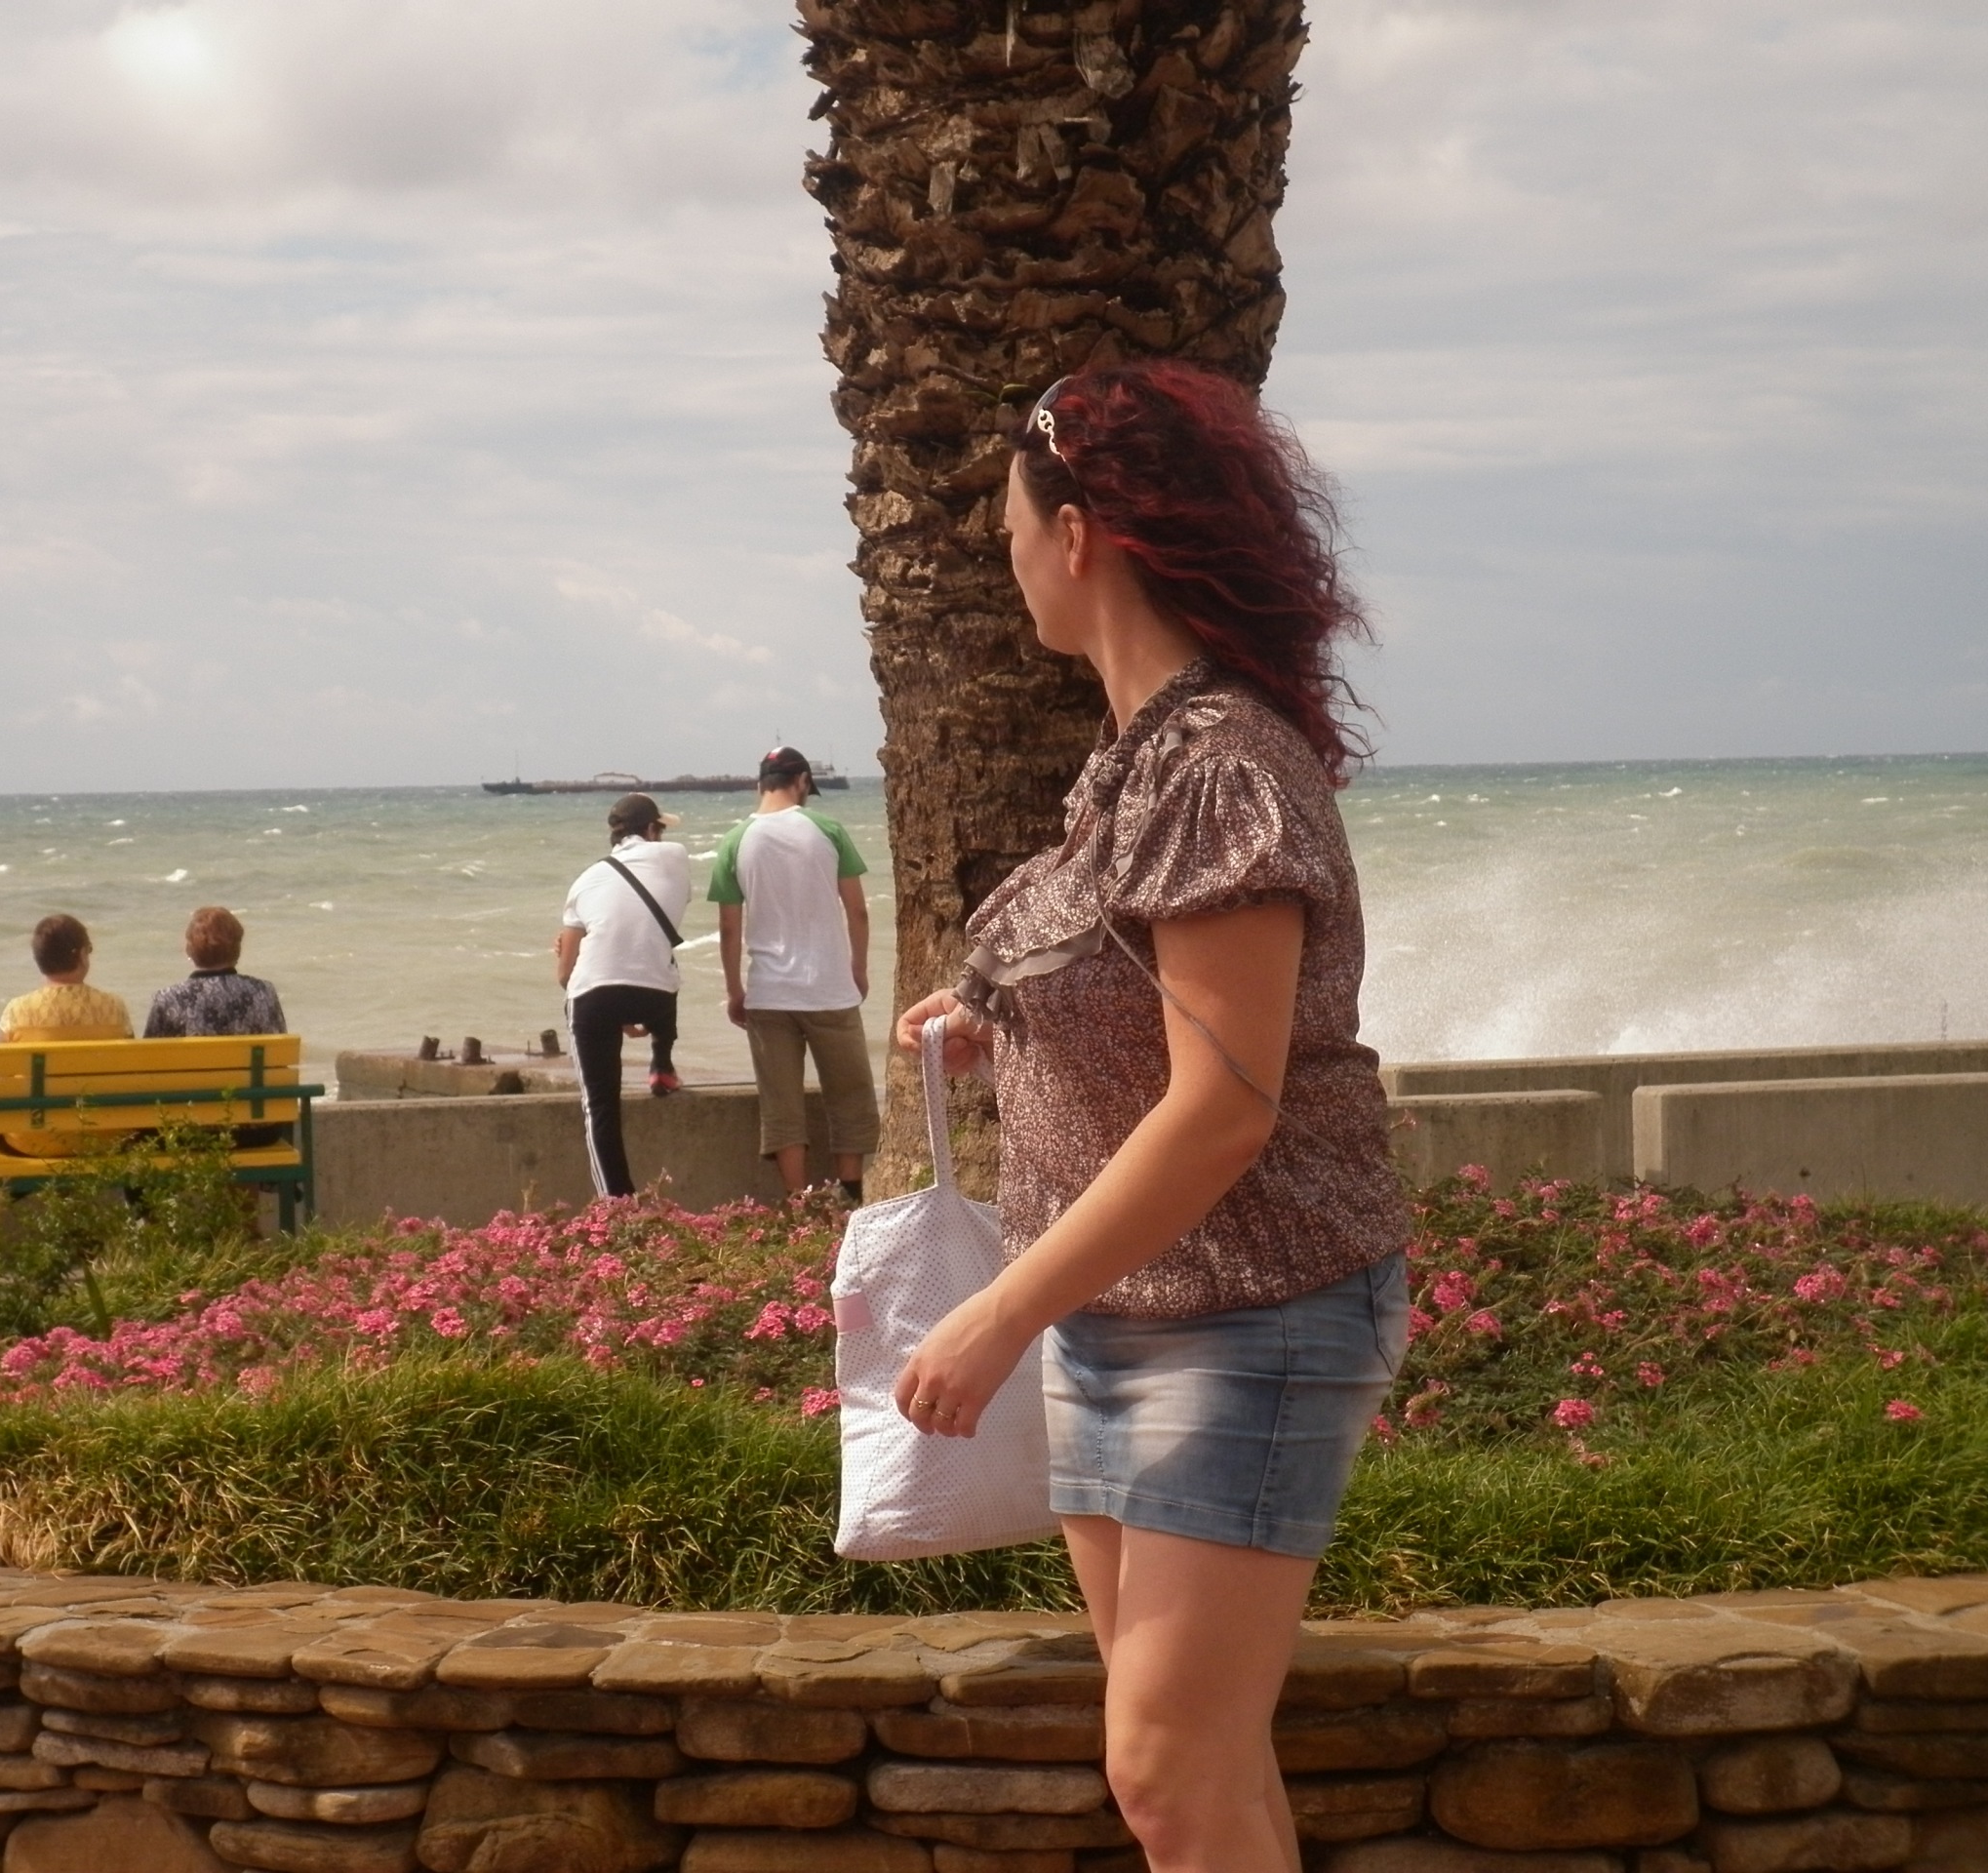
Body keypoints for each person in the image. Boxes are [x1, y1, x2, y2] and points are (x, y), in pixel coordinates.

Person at [888, 362, 1408, 1873]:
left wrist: (997, 1315)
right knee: (1194, 1774)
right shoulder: (1142, 756)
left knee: (1171, 1774)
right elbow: (1149, 978)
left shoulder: (1217, 763)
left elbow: (1226, 1109)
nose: (1007, 561)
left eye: (1010, 531)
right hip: (1130, 1307)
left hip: (1249, 1308)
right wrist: (1003, 1016)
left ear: (1078, 534)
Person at [709, 747, 881, 1202]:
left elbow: (729, 928)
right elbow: (858, 911)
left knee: (782, 1107)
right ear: (802, 781)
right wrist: (859, 968)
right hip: (829, 988)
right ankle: (850, 1196)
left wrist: (735, 990)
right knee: (850, 1097)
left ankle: (798, 1202)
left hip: (768, 994)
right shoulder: (828, 830)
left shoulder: (735, 840)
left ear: (760, 783)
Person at [555, 793, 692, 1198]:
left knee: (599, 1106)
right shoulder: (676, 857)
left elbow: (565, 973)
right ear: (652, 829)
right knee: (665, 967)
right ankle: (662, 1062)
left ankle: (617, 1203)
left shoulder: (585, 880)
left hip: (592, 996)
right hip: (655, 998)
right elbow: (642, 929)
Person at [144, 906, 293, 1148]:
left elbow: (151, 1069)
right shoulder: (264, 992)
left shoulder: (168, 999)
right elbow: (278, 1059)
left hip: (191, 1129)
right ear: (237, 949)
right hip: (259, 1128)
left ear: (190, 949)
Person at [0, 913, 132, 1157]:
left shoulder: (17, 1011)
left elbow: (2, 1078)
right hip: (106, 1136)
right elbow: (129, 1071)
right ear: (81, 955)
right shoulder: (114, 1008)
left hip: (32, 1141)